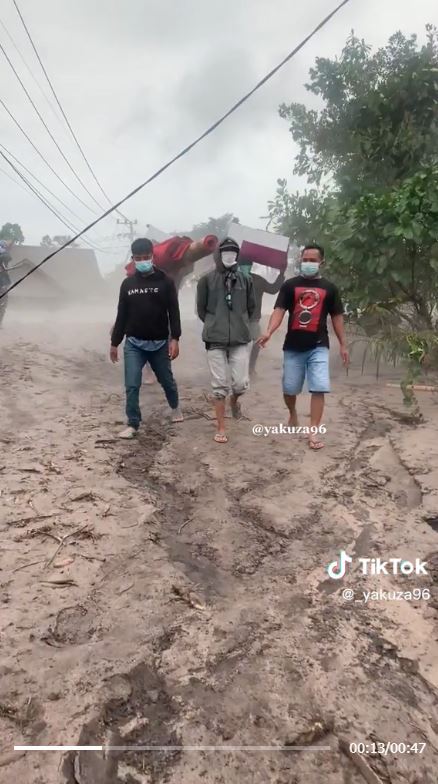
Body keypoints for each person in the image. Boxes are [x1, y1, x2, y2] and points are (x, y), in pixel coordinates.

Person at [257, 244, 349, 450]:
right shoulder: (290, 285)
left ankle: (313, 431)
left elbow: (337, 317)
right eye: (305, 260)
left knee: (319, 387)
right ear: (300, 260)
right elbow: (279, 310)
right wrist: (269, 331)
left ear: (322, 262)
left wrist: (343, 344)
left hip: (319, 345)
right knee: (290, 389)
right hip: (293, 346)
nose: (308, 263)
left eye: (313, 260)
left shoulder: (330, 288)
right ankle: (293, 413)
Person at [110, 238, 183, 439]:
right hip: (134, 344)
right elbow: (121, 315)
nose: (143, 261)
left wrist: (175, 338)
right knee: (132, 384)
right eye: (138, 258)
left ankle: (175, 406)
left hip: (159, 343)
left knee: (167, 381)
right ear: (133, 259)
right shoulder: (128, 284)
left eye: (146, 257)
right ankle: (133, 423)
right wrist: (115, 343)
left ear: (152, 256)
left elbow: (174, 312)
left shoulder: (165, 282)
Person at [197, 237, 256, 444]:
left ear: (238, 255)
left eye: (233, 251)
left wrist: (239, 323)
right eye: (225, 251)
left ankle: (235, 400)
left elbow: (251, 308)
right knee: (219, 385)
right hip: (215, 338)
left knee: (240, 384)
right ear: (218, 254)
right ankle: (221, 427)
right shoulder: (206, 280)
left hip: (240, 338)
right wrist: (215, 323)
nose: (229, 255)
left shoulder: (246, 280)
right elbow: (201, 310)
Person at [239, 263, 285, 377]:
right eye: (244, 264)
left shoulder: (257, 279)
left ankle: (251, 368)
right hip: (235, 318)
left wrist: (281, 274)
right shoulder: (232, 278)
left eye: (247, 264)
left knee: (257, 342)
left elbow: (273, 289)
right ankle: (234, 368)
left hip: (253, 318)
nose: (245, 266)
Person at [0, 240, 12, 329]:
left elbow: (8, 257)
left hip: (3, 285)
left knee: (2, 305)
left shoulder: (5, 256)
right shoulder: (4, 255)